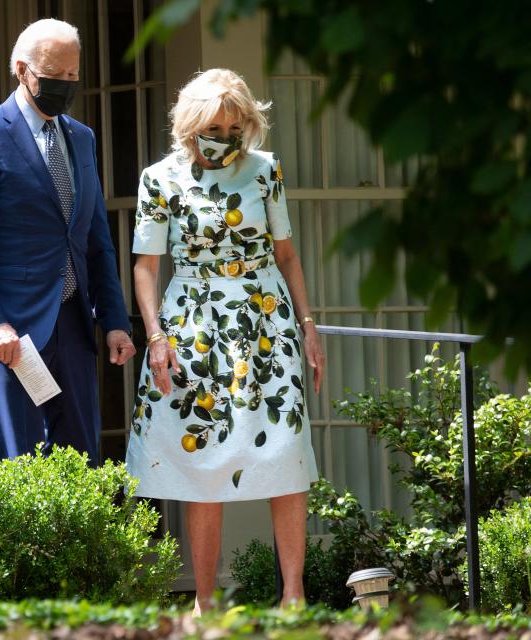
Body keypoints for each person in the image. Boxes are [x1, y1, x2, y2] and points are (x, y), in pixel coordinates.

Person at [125, 69, 325, 611]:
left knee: (286, 451)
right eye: (215, 125)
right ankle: (205, 602)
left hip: (265, 319)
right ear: (192, 126)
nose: (226, 135)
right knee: (203, 461)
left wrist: (309, 326)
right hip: (194, 323)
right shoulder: (159, 178)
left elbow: (286, 255)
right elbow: (146, 267)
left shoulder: (265, 172)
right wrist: (156, 336)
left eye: (236, 126)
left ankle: (293, 596)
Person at [0, 19, 136, 463]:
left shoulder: (81, 138)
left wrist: (115, 321)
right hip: (14, 332)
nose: (65, 85)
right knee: (22, 462)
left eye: (73, 76)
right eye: (54, 74)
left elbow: (94, 239)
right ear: (22, 69)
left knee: (81, 460)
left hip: (72, 323)